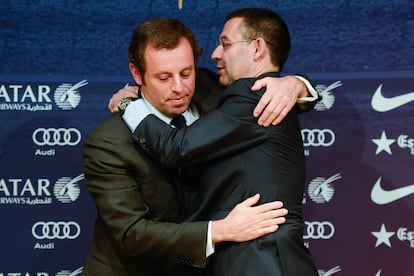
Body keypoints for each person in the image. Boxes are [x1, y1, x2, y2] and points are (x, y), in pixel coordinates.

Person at [82, 16, 314, 276]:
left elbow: (263, 88)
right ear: (137, 73)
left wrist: (296, 84)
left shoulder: (217, 90)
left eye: (186, 72)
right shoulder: (107, 143)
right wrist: (219, 230)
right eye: (163, 78)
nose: (179, 87)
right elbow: (131, 233)